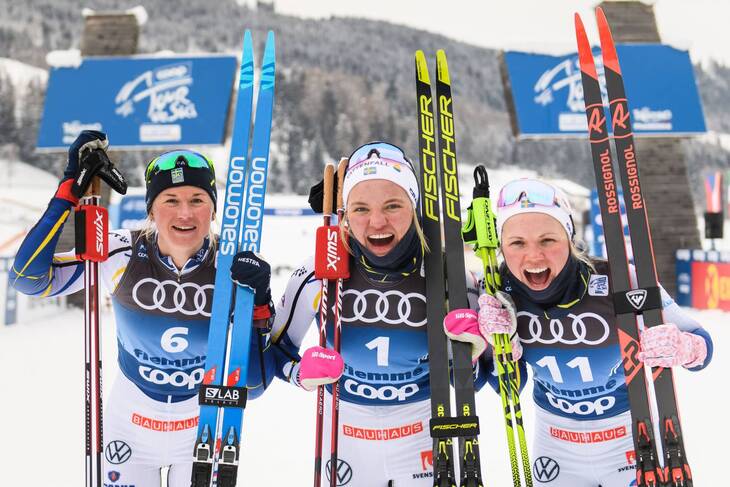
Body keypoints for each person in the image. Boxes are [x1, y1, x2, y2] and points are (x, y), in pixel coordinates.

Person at [11, 131, 269, 487]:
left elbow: (254, 384)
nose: (185, 213)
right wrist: (68, 192)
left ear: (213, 210)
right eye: (170, 200)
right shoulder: (120, 252)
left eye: (197, 200)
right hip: (129, 424)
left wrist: (260, 304)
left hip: (202, 424)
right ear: (151, 209)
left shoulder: (234, 265)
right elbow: (27, 278)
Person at [231, 141, 485, 486]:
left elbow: (476, 382)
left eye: (393, 205)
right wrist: (298, 373)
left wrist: (473, 355)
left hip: (423, 433)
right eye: (361, 208)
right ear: (346, 213)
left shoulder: (449, 276)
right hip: (345, 434)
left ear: (414, 206)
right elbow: (266, 364)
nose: (377, 222)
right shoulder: (319, 273)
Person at [443, 178, 713, 487]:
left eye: (548, 240)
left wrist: (686, 347)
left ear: (569, 237)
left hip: (627, 438)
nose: (534, 256)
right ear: (502, 246)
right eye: (517, 243)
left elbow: (703, 344)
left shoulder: (618, 279)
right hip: (556, 445)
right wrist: (496, 350)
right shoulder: (497, 292)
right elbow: (502, 387)